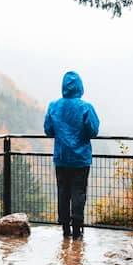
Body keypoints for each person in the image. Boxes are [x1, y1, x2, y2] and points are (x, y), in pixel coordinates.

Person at [43, 71, 100, 239]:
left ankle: (65, 228)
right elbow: (93, 130)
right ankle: (77, 229)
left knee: (63, 191)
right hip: (81, 159)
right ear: (80, 87)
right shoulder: (85, 107)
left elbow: (48, 130)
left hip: (61, 157)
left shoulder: (54, 106)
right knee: (78, 192)